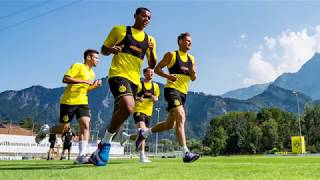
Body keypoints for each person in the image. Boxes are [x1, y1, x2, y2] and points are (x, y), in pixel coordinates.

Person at [89, 7, 157, 166]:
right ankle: (104, 145)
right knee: (128, 107)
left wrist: (152, 50)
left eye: (149, 18)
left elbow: (152, 64)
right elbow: (103, 50)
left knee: (118, 119)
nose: (146, 19)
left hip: (135, 82)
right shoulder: (119, 30)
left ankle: (97, 153)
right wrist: (112, 50)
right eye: (143, 16)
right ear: (135, 16)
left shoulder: (150, 39)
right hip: (118, 75)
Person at [136, 32, 200, 163]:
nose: (190, 43)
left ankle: (145, 133)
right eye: (187, 41)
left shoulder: (192, 59)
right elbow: (157, 68)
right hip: (171, 90)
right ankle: (185, 152)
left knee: (170, 124)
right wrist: (168, 77)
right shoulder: (172, 55)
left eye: (191, 41)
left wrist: (193, 73)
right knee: (181, 116)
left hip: (183, 93)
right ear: (180, 42)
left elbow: (193, 78)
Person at [35, 49, 102, 164]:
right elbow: (65, 78)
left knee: (86, 125)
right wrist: (84, 81)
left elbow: (85, 88)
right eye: (96, 58)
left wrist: (94, 86)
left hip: (83, 101)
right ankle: (46, 130)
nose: (98, 61)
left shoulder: (92, 73)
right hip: (69, 101)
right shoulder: (78, 66)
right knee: (63, 128)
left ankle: (81, 156)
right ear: (88, 58)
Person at [120, 67, 160, 163]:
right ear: (144, 74)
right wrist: (138, 99)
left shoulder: (156, 86)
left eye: (152, 72)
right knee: (143, 131)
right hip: (139, 110)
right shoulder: (139, 84)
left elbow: (157, 98)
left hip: (149, 112)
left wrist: (155, 99)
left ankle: (128, 137)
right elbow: (131, 95)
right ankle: (142, 156)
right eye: (149, 72)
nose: (151, 74)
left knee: (143, 134)